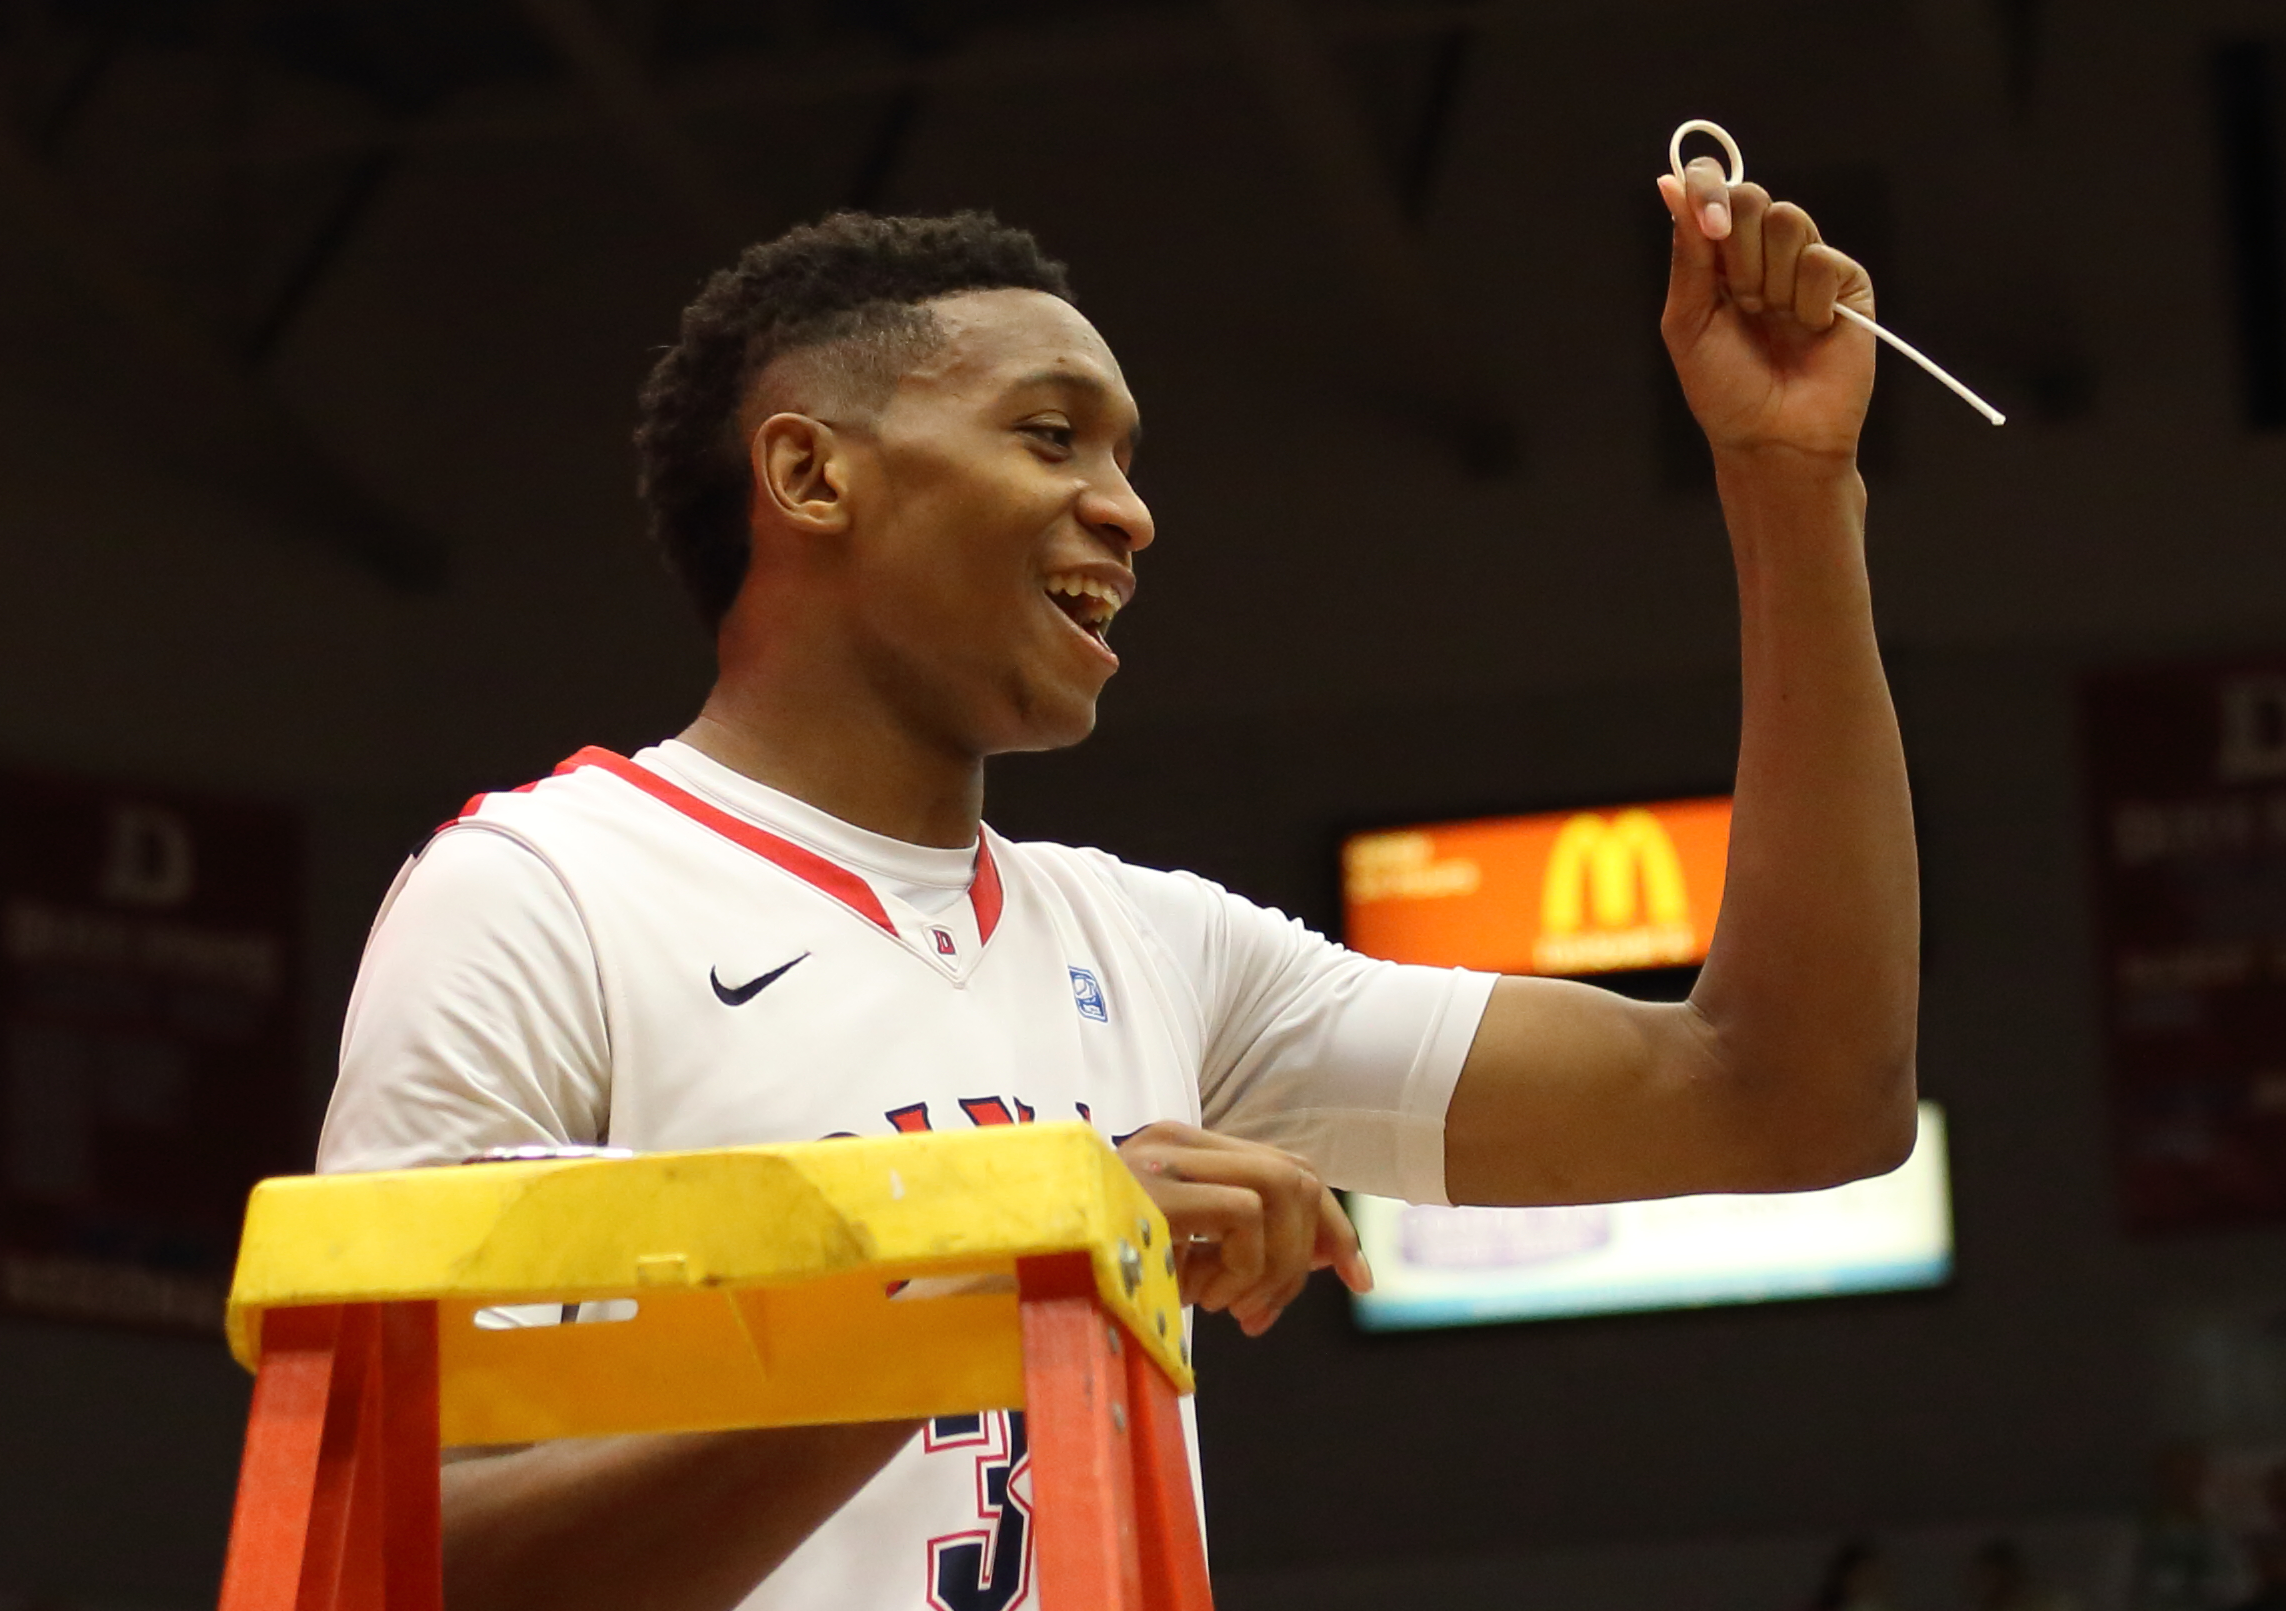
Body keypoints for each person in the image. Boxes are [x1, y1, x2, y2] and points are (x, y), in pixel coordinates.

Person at [320, 150, 1920, 1611]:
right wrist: (989, 1298)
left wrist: (1789, 482)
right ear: (809, 476)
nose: (1131, 511)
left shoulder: (1157, 949)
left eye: (1127, 456)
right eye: (1048, 434)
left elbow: (1787, 1099)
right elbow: (394, 1574)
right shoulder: (537, 897)